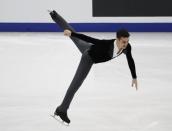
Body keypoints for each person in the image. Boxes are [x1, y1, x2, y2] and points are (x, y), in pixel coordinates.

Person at [49, 10, 138, 124]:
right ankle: (62, 110)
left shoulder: (127, 47)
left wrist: (134, 77)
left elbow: (130, 59)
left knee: (73, 34)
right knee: (76, 84)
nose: (125, 45)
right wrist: (72, 34)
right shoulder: (107, 45)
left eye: (127, 42)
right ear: (117, 39)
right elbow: (90, 39)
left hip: (87, 47)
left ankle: (54, 15)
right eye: (123, 42)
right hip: (88, 58)